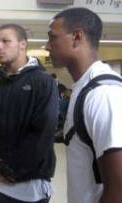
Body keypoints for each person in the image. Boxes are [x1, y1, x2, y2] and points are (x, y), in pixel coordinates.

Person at [46, 7, 122, 203]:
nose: (47, 46)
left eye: (52, 38)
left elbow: (118, 191)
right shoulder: (83, 88)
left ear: (77, 37)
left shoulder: (104, 94)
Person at [0, 24, 58, 203]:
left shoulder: (43, 82)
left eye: (5, 41)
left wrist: (5, 169)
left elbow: (42, 134)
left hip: (28, 188)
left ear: (23, 44)